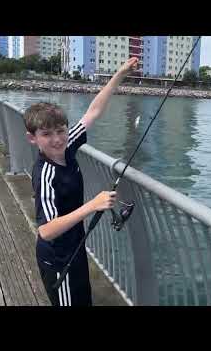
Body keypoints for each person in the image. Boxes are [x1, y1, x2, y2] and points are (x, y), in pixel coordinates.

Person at [24, 57, 139, 306]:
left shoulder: (68, 145)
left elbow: (93, 111)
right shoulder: (45, 173)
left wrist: (120, 73)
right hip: (57, 257)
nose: (57, 139)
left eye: (61, 131)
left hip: (75, 247)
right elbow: (45, 230)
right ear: (32, 138)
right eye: (46, 134)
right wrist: (92, 205)